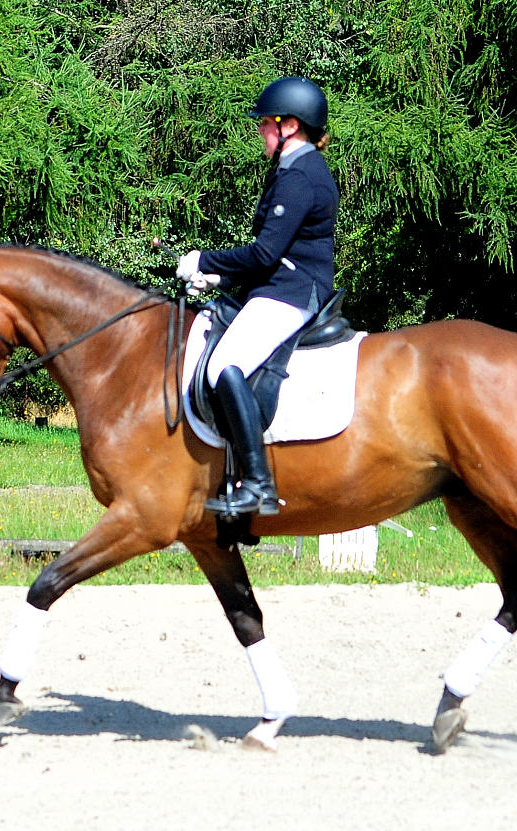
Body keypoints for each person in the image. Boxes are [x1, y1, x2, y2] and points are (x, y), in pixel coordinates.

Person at [176, 76, 339, 517]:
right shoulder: (291, 170)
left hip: (290, 292)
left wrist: (205, 262)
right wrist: (220, 281)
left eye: (266, 123)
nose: (260, 131)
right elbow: (270, 254)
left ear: (290, 126)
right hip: (278, 285)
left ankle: (258, 484)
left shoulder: (300, 175)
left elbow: (266, 252)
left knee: (222, 365)